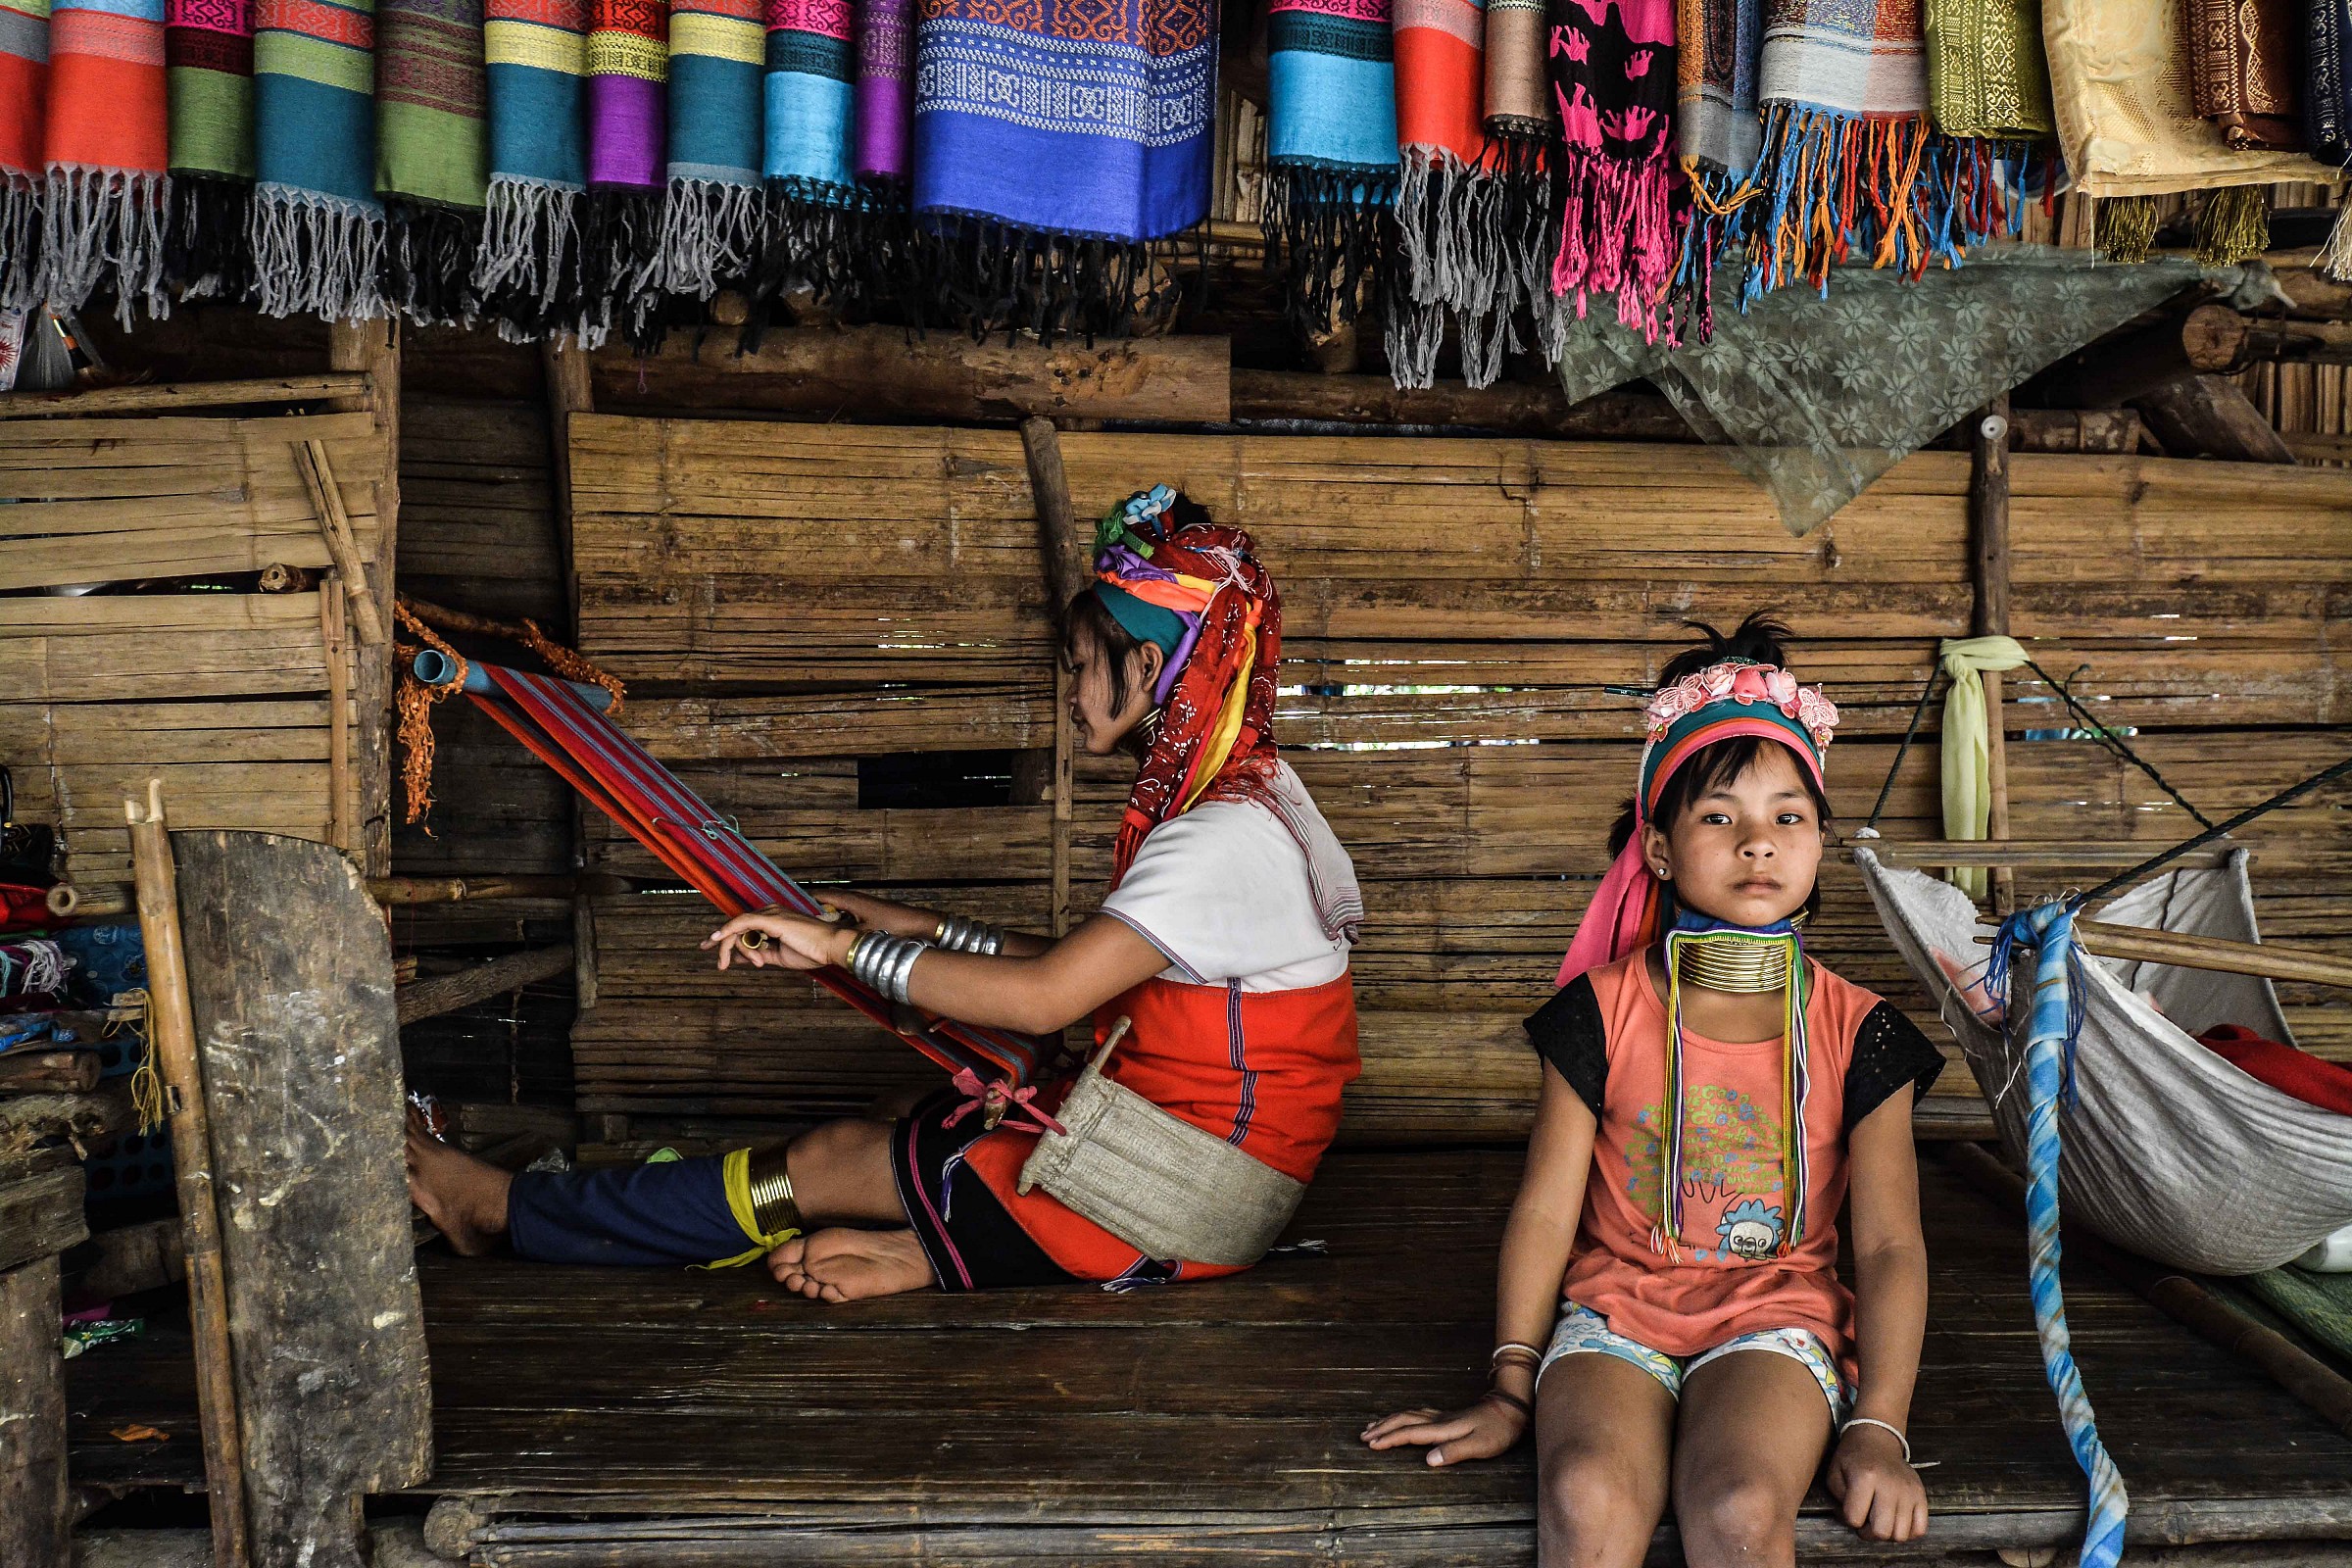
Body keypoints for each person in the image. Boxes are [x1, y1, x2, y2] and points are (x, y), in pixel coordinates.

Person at [407, 486, 1363, 1301]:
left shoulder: (1218, 836)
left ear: (1146, 667)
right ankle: (941, 1246)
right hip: (1195, 1162)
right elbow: (1106, 972)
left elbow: (1049, 999)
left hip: (1178, 1197)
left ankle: (495, 1209)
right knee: (920, 1118)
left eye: (1078, 668)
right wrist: (919, 928)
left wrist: (838, 950)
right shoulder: (1255, 800)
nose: (1071, 693)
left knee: (831, 1158)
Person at [1362, 614, 1946, 1563]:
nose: (1758, 842)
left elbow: (1885, 1245)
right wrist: (1513, 1382)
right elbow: (1548, 1212)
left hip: (1776, 1319)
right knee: (1587, 1492)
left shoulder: (1858, 1031)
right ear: (1663, 850)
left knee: (1740, 1503)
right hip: (1613, 1317)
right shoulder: (1598, 1012)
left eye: (1787, 816)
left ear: (1818, 844)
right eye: (1720, 817)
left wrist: (1878, 1426)